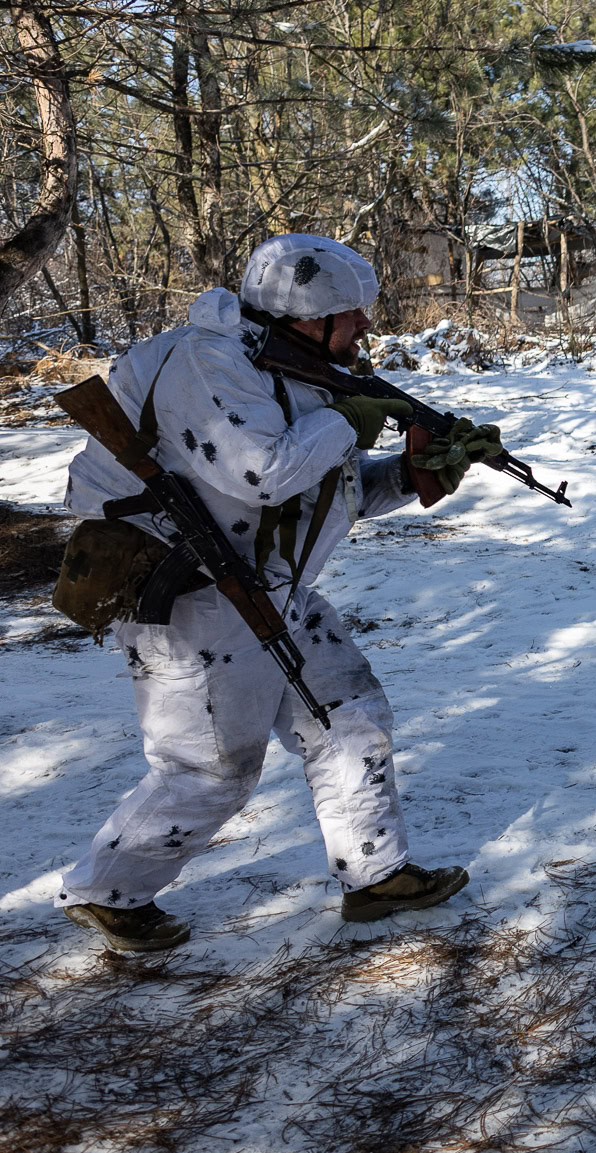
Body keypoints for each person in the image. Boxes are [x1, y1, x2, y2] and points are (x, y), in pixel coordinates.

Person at [55, 233, 499, 952]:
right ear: (305, 315)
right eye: (351, 315)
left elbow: (322, 494)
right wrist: (344, 420)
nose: (365, 328)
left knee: (349, 715)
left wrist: (417, 475)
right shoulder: (209, 361)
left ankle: (375, 873)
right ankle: (109, 892)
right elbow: (263, 474)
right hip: (192, 592)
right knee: (210, 769)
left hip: (268, 583)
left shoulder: (301, 367)